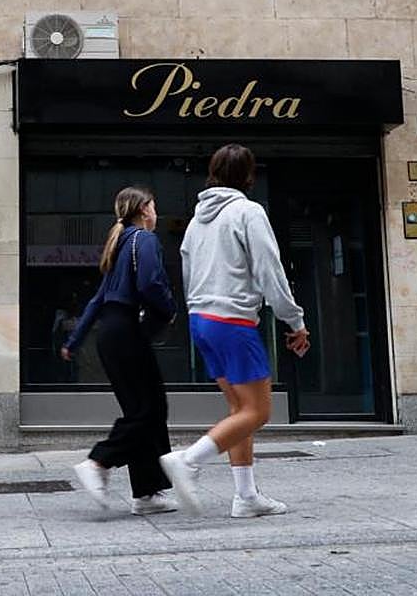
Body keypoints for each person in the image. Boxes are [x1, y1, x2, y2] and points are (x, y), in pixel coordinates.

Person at [159, 144, 311, 518]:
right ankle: (188, 461)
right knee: (258, 411)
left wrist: (199, 311)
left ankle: (245, 497)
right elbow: (270, 271)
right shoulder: (248, 211)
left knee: (238, 409)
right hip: (233, 321)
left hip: (202, 321)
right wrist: (295, 320)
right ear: (249, 175)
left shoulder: (196, 221)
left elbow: (188, 273)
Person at [59, 185, 178, 516]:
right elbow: (150, 284)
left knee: (142, 411)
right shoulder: (144, 239)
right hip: (127, 332)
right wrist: (170, 310)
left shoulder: (119, 245)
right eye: (153, 206)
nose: (156, 212)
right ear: (143, 210)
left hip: (110, 335)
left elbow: (97, 300)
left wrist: (73, 341)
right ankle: (100, 461)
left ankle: (146, 494)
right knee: (150, 410)